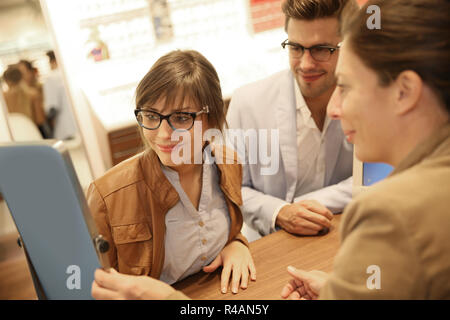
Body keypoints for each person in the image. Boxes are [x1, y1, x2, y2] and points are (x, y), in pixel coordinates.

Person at [281, 0, 450, 299]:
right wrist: (343, 287)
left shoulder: (389, 214)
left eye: (344, 87)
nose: (334, 108)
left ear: (404, 91)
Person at [88, 50, 256, 297]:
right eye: (152, 116)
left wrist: (236, 244)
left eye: (180, 117)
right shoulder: (108, 195)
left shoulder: (227, 163)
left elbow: (225, 229)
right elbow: (86, 281)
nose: (164, 134)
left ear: (211, 119)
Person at [226, 0, 354, 238]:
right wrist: (280, 212)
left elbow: (382, 175)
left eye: (321, 49)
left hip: (342, 233)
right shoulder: (247, 103)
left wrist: (306, 205)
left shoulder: (369, 100)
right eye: (295, 47)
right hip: (271, 243)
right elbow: (231, 188)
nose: (305, 64)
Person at [42, 50, 78, 140]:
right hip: (79, 125)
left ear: (52, 61)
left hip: (65, 129)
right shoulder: (73, 73)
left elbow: (52, 108)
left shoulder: (51, 78)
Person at [17, 59, 51, 138]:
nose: (22, 77)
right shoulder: (20, 94)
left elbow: (41, 120)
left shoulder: (40, 88)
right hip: (28, 131)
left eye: (23, 73)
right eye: (20, 74)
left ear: (31, 72)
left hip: (42, 128)